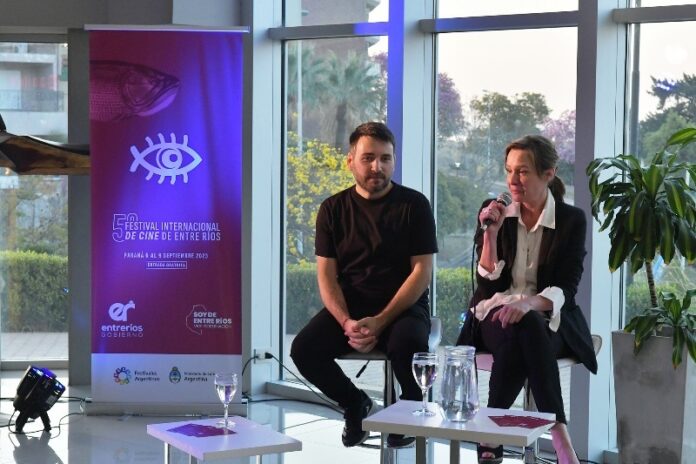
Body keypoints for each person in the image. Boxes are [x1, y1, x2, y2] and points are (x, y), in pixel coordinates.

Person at [290, 121, 438, 449]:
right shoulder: (332, 209)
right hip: (352, 308)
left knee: (408, 344)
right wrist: (346, 321)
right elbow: (326, 276)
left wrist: (381, 320)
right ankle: (355, 403)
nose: (377, 167)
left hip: (404, 308)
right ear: (350, 161)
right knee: (303, 350)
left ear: (394, 161)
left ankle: (409, 409)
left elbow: (421, 272)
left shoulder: (414, 205)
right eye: (368, 158)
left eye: (385, 158)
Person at [456, 135, 597, 464]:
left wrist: (528, 304)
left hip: (549, 321)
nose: (512, 180)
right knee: (519, 328)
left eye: (522, 171)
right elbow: (486, 284)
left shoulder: (570, 220)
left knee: (525, 328)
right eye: (509, 170)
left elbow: (567, 286)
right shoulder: (495, 211)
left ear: (548, 174)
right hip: (494, 315)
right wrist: (490, 235)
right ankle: (559, 434)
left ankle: (490, 434)